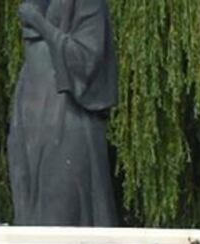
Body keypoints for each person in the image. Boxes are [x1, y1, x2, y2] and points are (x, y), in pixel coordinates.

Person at [8, 0, 119, 227]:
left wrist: (39, 22)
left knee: (62, 199)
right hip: (31, 103)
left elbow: (87, 57)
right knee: (29, 203)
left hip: (67, 107)